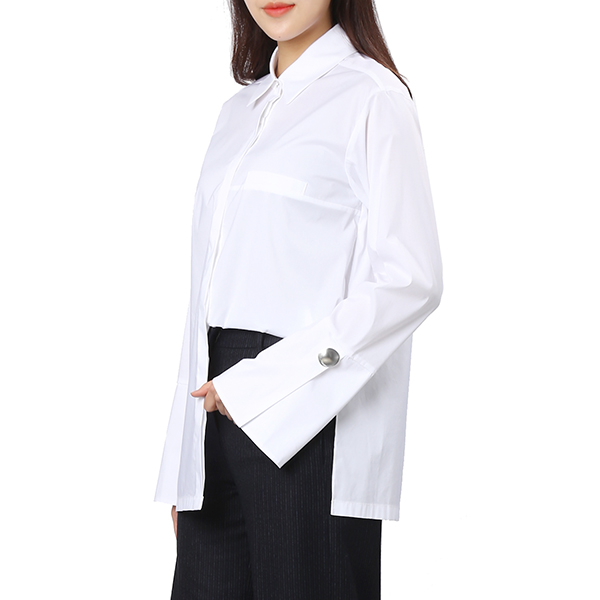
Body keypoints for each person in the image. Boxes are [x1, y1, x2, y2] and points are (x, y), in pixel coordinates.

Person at [154, 0, 443, 598]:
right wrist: (184, 465)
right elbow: (206, 291)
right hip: (213, 404)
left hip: (313, 413)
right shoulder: (237, 112)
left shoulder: (372, 98)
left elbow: (410, 279)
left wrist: (265, 382)